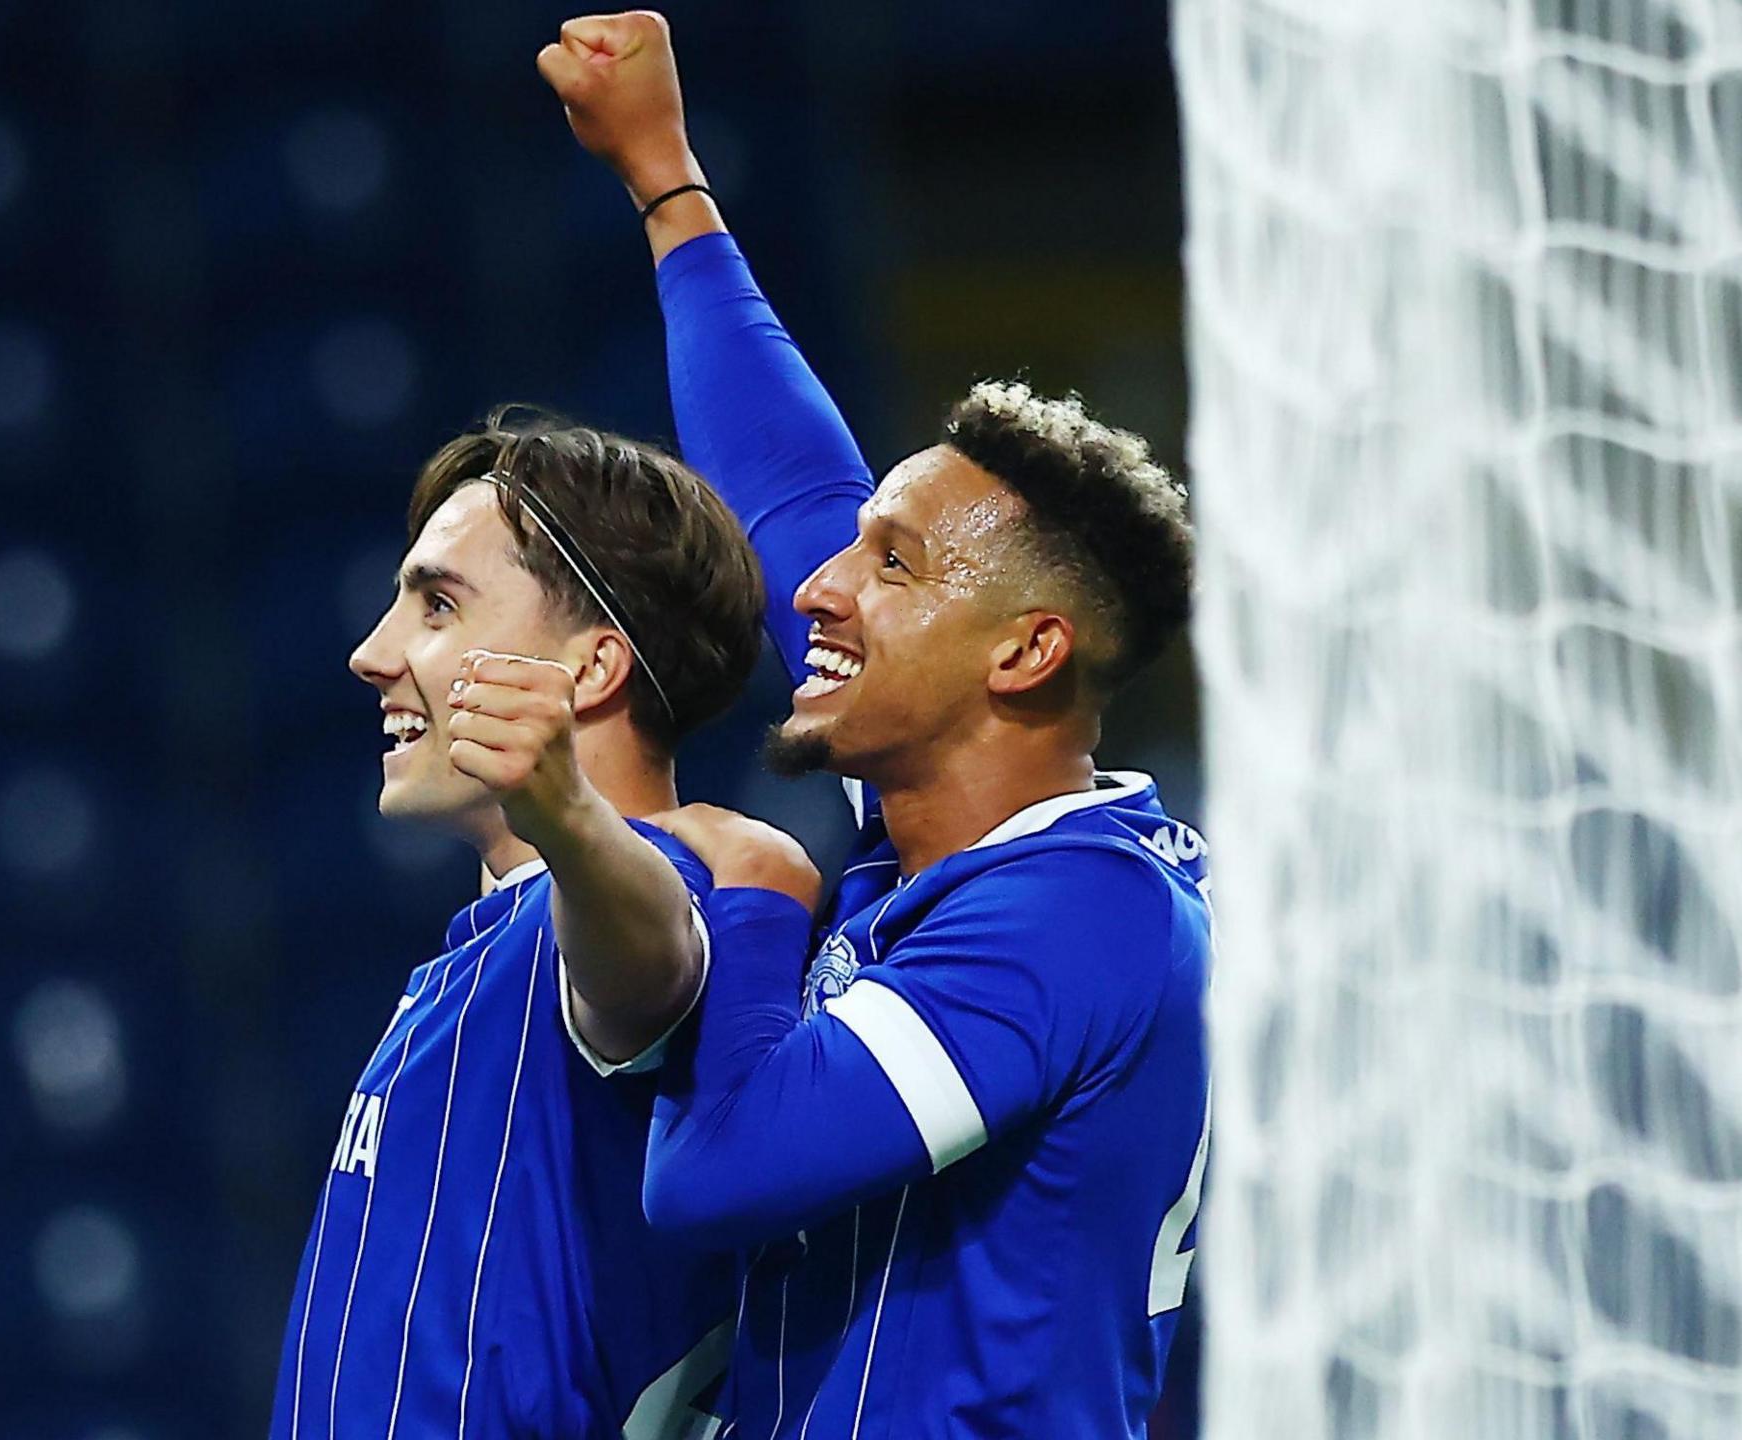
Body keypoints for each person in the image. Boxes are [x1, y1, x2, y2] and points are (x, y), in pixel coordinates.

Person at [538, 15, 1214, 1438]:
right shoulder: (950, 831)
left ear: (1025, 652)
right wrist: (664, 176)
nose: (819, 590)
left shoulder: (1081, 914)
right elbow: (786, 486)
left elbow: (716, 1171)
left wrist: (759, 892)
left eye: (890, 564)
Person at [272, 407, 767, 1437]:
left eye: (438, 606)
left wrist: (572, 819)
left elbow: (651, 965)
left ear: (591, 669)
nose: (371, 653)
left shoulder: (638, 895)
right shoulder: (484, 949)